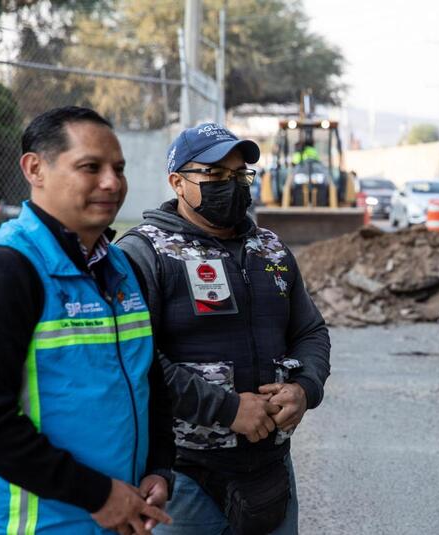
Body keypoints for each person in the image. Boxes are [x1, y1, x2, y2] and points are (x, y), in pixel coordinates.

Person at [117, 122, 331, 535]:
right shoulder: (144, 253)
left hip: (270, 468)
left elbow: (310, 330)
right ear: (177, 182)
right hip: (183, 474)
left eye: (238, 175)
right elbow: (134, 358)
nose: (230, 185)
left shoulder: (270, 249)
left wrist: (305, 387)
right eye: (213, 175)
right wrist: (228, 409)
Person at [0, 106, 174, 534]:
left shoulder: (120, 267)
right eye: (90, 167)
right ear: (35, 168)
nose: (112, 183)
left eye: (119, 168)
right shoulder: (12, 269)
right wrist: (96, 495)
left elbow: (146, 378)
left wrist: (159, 469)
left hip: (124, 516)